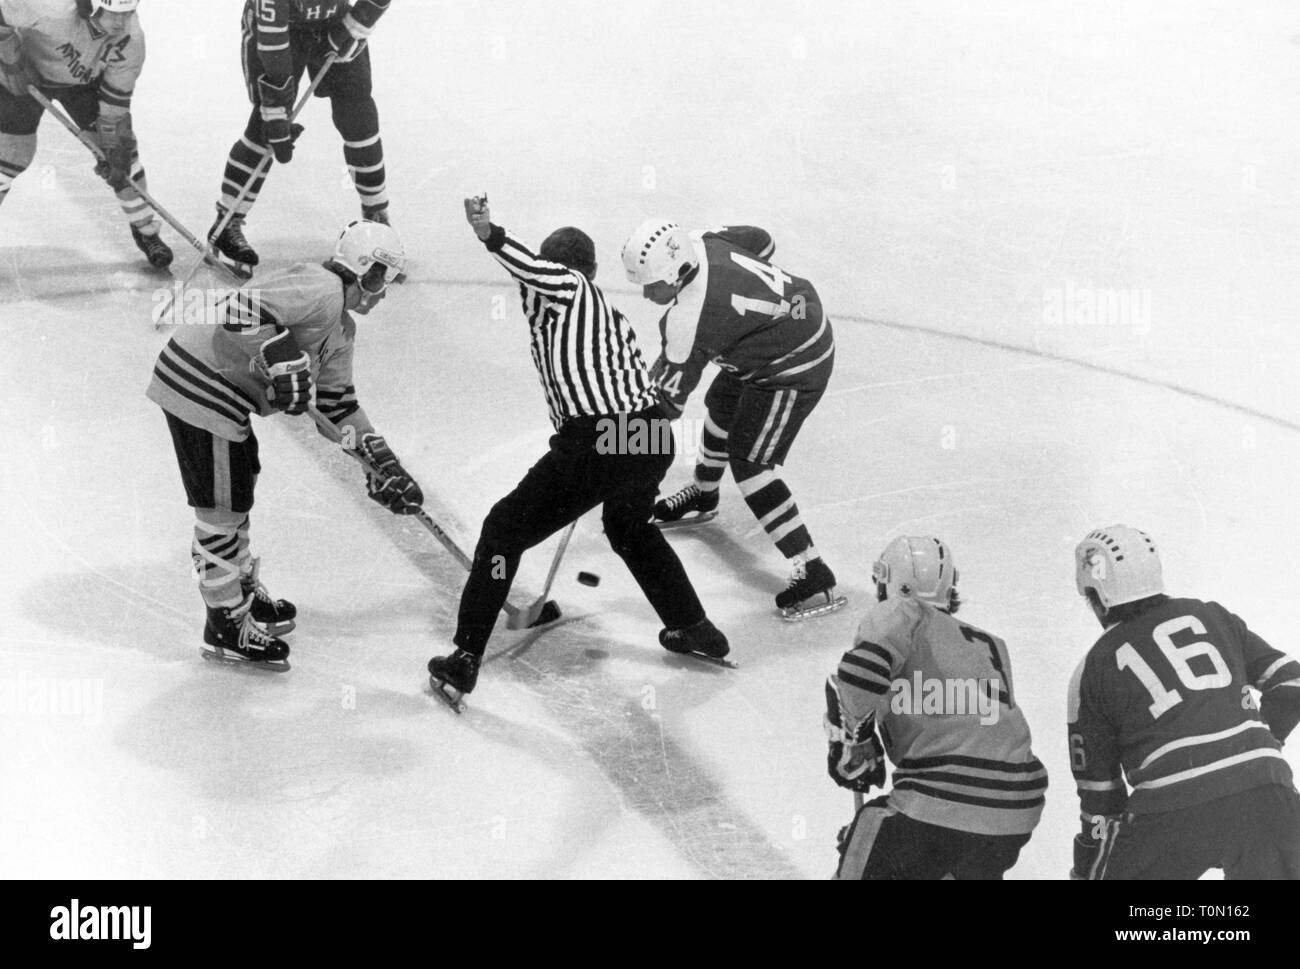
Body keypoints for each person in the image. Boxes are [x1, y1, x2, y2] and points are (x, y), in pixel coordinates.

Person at [427, 197, 728, 707]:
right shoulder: (607, 317)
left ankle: (465, 656)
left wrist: (489, 233)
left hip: (599, 439)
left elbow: (534, 269)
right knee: (630, 529)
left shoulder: (565, 288)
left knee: (503, 532)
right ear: (593, 266)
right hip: (647, 434)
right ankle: (694, 628)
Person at [146, 220, 420, 669]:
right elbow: (239, 310)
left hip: (222, 397)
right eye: (384, 277)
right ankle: (224, 623)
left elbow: (337, 405)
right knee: (221, 507)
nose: (385, 291)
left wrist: (379, 458)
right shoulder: (321, 286)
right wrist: (281, 355)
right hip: (201, 386)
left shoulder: (342, 329)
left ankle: (237, 594)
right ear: (367, 269)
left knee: (239, 489)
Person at [621, 219, 840, 620]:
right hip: (783, 331)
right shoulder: (702, 241)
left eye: (650, 284)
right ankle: (704, 494)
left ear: (674, 274)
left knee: (751, 463)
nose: (646, 292)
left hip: (794, 364)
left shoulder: (689, 319)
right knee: (721, 403)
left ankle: (812, 567)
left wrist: (613, 439)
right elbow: (763, 239)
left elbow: (664, 407)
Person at [1068, 524, 1300, 880]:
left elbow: (1100, 801)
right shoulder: (1212, 616)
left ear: (1096, 594)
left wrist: (1092, 862)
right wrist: (1264, 743)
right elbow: (1292, 683)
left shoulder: (1093, 669)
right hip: (1269, 797)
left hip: (1172, 811)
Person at [827, 536, 1047, 879]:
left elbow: (859, 675)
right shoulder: (991, 646)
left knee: (868, 830)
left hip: (940, 799)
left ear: (889, 581)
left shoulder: (901, 611)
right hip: (1015, 810)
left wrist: (856, 739)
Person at [207, 0, 393, 274]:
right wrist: (276, 105)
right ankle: (227, 222)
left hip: (336, 20)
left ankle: (377, 218)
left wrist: (354, 26)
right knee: (266, 128)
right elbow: (272, 38)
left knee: (359, 119)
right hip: (281, 30)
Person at [0, 0, 172, 267]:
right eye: (113, 14)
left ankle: (146, 230)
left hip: (82, 85)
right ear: (91, 7)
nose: (120, 23)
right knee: (13, 154)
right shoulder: (50, 6)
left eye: (128, 13)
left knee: (122, 155)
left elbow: (114, 108)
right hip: (26, 72)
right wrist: (9, 55)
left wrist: (113, 144)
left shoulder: (132, 40)